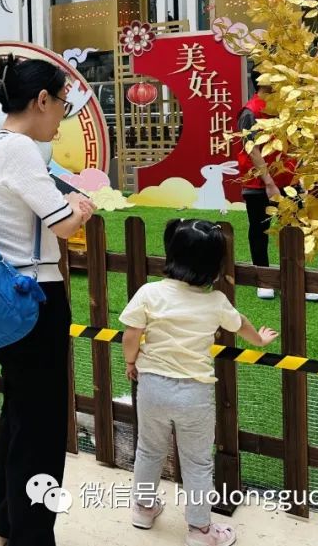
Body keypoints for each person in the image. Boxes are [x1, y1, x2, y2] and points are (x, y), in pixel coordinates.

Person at [0, 56, 95, 546]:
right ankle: (32, 536)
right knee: (41, 429)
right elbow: (62, 223)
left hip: (3, 298)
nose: (62, 115)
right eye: (62, 103)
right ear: (41, 100)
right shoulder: (21, 149)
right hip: (34, 299)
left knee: (21, 416)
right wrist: (80, 208)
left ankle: (5, 525)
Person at [121, 219, 279, 546]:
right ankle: (200, 530)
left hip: (152, 386)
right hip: (194, 393)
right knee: (197, 462)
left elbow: (131, 334)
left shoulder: (149, 292)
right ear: (214, 265)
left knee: (148, 450)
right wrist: (259, 340)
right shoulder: (215, 301)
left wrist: (131, 362)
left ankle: (143, 509)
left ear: (172, 253)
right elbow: (241, 324)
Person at [237, 71, 318, 302]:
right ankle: (263, 279)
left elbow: (297, 144)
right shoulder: (250, 112)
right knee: (260, 228)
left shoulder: (286, 109)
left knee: (295, 228)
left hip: (289, 181)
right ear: (263, 84)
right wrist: (268, 182)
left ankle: (299, 280)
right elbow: (251, 149)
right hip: (258, 182)